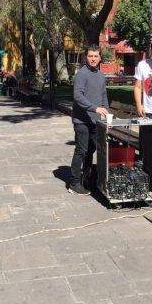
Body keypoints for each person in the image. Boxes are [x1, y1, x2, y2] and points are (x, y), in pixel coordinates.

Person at [69, 45, 109, 195]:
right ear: (86, 57)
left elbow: (103, 95)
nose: (93, 59)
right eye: (90, 56)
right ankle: (74, 183)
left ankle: (86, 180)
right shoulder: (82, 74)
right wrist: (95, 108)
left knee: (91, 150)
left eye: (96, 56)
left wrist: (106, 112)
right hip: (82, 121)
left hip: (95, 121)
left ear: (99, 58)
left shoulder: (100, 75)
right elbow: (77, 96)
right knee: (81, 151)